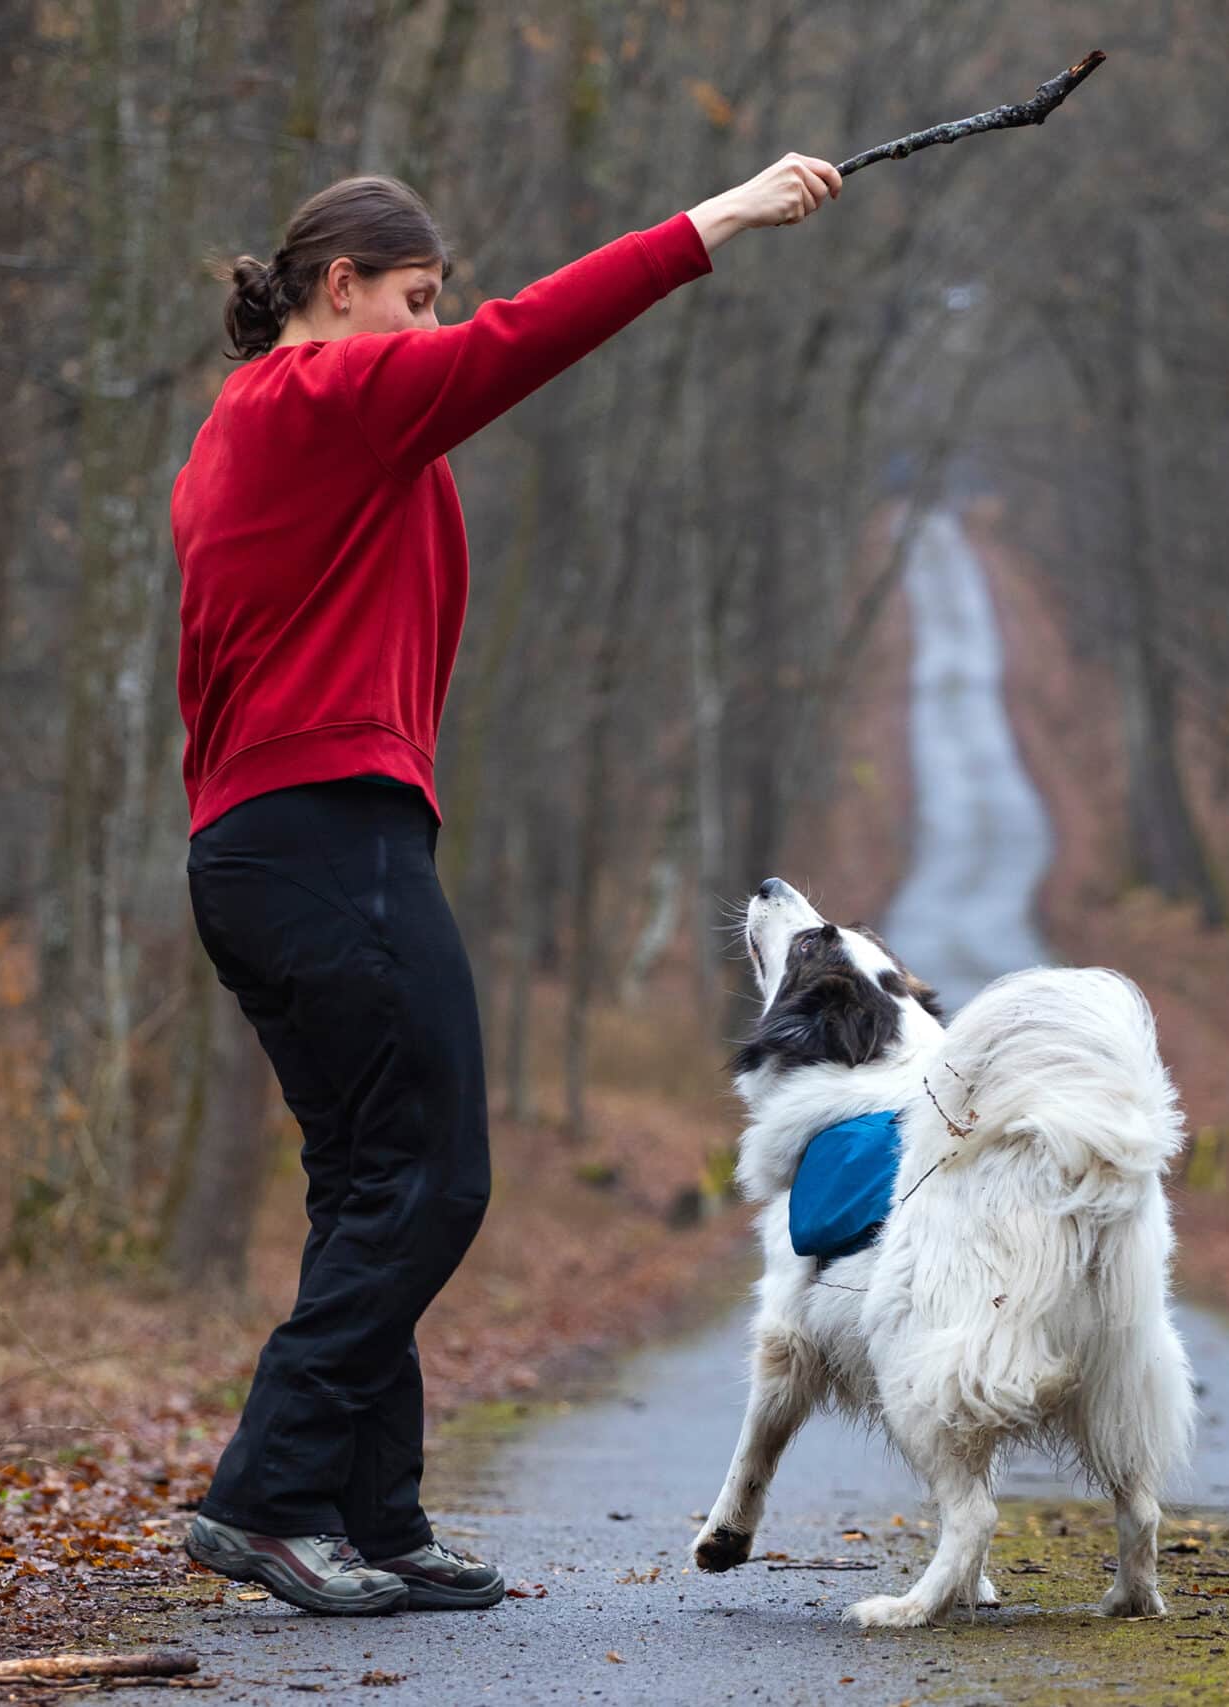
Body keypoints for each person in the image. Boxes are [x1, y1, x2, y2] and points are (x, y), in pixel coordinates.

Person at [171, 152, 842, 1616]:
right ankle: (268, 1498)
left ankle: (372, 1516)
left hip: (275, 844)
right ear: (337, 291)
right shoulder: (312, 402)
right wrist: (717, 218)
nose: (429, 331)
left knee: (371, 1184)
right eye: (412, 303)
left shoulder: (276, 431)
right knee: (436, 1182)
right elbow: (520, 340)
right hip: (320, 835)